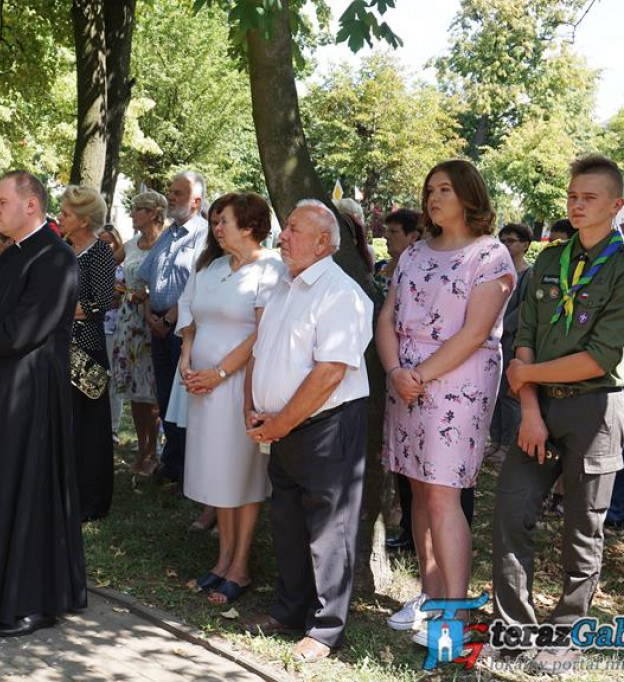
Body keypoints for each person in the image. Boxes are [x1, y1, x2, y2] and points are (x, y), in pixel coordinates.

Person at [496, 155, 624, 674]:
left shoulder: (621, 266)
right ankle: (513, 628)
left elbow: (600, 356)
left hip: (596, 410)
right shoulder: (550, 260)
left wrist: (528, 377)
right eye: (572, 194)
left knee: (583, 529)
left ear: (617, 206)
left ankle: (565, 635)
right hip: (538, 409)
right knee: (511, 512)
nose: (576, 203)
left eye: (589, 197)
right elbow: (523, 338)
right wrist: (529, 407)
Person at [378, 160, 514, 646]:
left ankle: (456, 621)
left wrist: (418, 375)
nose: (435, 198)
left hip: (456, 381)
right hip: (406, 380)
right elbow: (388, 314)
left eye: (446, 190)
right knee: (416, 488)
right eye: (430, 189)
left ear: (469, 196)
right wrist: (396, 372)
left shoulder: (491, 255)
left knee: (442, 493)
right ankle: (431, 596)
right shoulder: (413, 252)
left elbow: (476, 332)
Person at [0, 170, 86, 638]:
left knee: (27, 493)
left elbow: (22, 332)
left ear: (31, 204)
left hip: (32, 396)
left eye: (2, 202)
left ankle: (32, 601)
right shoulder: (9, 258)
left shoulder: (56, 259)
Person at [240, 200, 373, 664]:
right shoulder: (284, 284)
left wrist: (278, 421)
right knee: (288, 521)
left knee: (329, 527)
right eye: (285, 228)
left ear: (324, 242)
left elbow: (329, 373)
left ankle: (325, 627)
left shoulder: (342, 294)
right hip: (282, 427)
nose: (282, 236)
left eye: (293, 229)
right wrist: (252, 408)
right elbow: (261, 351)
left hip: (326, 426)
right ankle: (288, 610)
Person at [176, 193, 284, 606]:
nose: (216, 228)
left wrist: (220, 373)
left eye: (225, 222)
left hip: (240, 386)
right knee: (216, 474)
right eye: (215, 222)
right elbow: (190, 319)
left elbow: (262, 333)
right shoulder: (213, 267)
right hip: (202, 386)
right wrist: (188, 362)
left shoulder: (270, 269)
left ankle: (240, 566)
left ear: (251, 226)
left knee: (242, 476)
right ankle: (221, 561)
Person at [137, 170, 209, 482]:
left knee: (184, 399)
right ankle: (173, 462)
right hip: (158, 322)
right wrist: (150, 314)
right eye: (171, 191)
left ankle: (187, 467)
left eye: (178, 193)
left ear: (196, 201)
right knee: (166, 396)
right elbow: (145, 275)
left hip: (184, 328)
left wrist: (167, 319)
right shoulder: (169, 233)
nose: (171, 198)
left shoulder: (204, 234)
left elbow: (196, 285)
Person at [59, 186, 117, 522]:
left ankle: (89, 499)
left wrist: (62, 309)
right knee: (63, 420)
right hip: (58, 346)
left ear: (83, 220)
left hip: (87, 349)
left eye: (66, 213)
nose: (60, 217)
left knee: (88, 424)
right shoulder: (61, 250)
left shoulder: (100, 254)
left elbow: (101, 302)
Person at [112, 191, 166, 475]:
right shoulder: (131, 244)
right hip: (128, 322)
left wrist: (146, 296)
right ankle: (141, 446)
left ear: (153, 213)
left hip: (153, 321)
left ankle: (153, 450)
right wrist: (119, 290)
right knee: (134, 389)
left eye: (137, 210)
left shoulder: (166, 242)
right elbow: (103, 263)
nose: (132, 215)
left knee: (152, 389)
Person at [488, 223, 534, 461]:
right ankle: (495, 441)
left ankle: (507, 445)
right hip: (490, 340)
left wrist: (501, 325)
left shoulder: (530, 274)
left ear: (525, 245)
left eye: (511, 240)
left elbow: (526, 309)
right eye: (502, 239)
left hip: (513, 342)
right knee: (494, 391)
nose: (505, 244)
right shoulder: (496, 270)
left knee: (509, 394)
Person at [99, 225, 125, 443]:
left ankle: (112, 428)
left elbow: (123, 296)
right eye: (101, 241)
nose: (105, 245)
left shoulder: (123, 268)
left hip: (115, 328)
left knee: (114, 379)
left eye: (109, 242)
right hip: (92, 327)